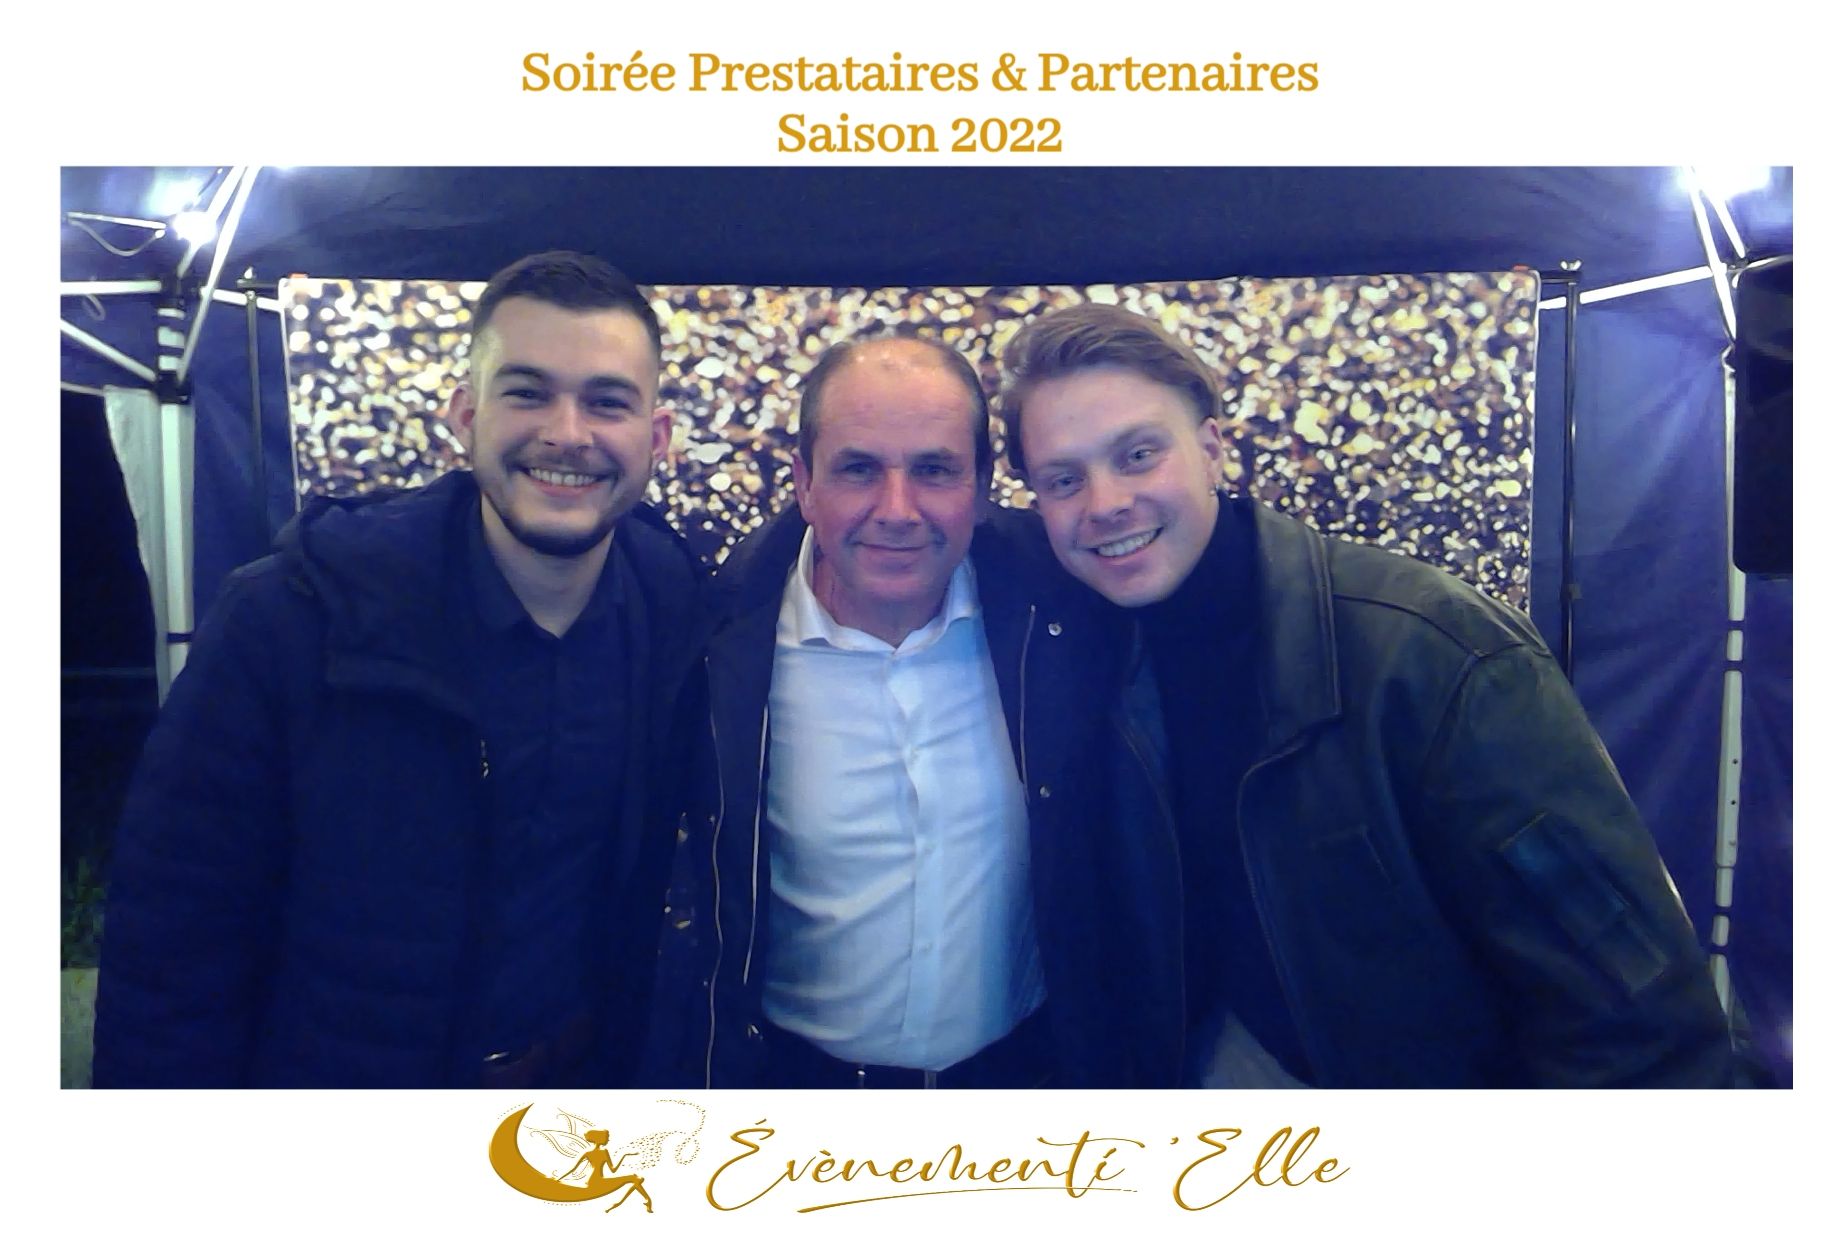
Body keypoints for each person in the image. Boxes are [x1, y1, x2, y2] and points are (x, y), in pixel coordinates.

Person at [995, 301, 1738, 1087]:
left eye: (1139, 454)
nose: (1105, 502)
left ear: (1212, 448)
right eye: (1064, 480)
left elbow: (1631, 1002)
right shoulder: (1079, 647)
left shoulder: (1429, 649)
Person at [92, 251, 702, 1087]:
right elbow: (172, 939)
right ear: (465, 415)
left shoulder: (675, 611)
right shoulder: (290, 621)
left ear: (656, 439)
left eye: (607, 401)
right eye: (527, 392)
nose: (568, 432)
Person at [669, 334, 1142, 1088]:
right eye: (859, 469)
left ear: (982, 489)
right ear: (803, 484)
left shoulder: (1061, 613)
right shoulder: (713, 646)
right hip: (794, 1086)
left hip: (1025, 1077)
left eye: (934, 470)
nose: (897, 510)